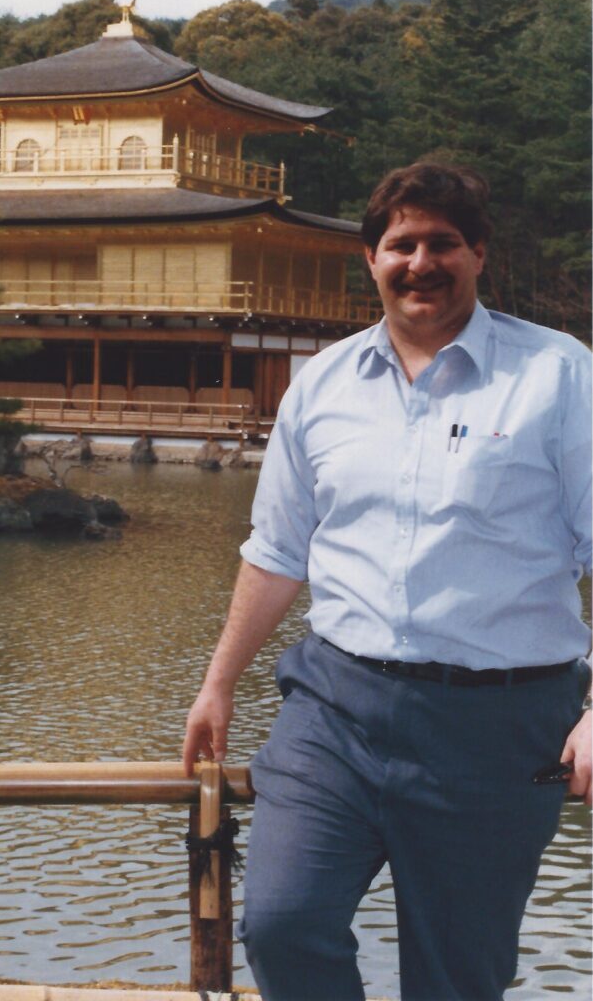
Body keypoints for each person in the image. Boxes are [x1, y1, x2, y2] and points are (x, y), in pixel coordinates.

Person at [182, 162, 592, 1001]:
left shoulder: (560, 377)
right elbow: (277, 549)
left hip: (500, 724)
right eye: (400, 243)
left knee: (456, 976)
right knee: (285, 923)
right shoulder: (324, 384)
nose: (421, 263)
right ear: (370, 258)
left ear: (479, 255)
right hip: (338, 709)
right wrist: (218, 682)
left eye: (444, 243)